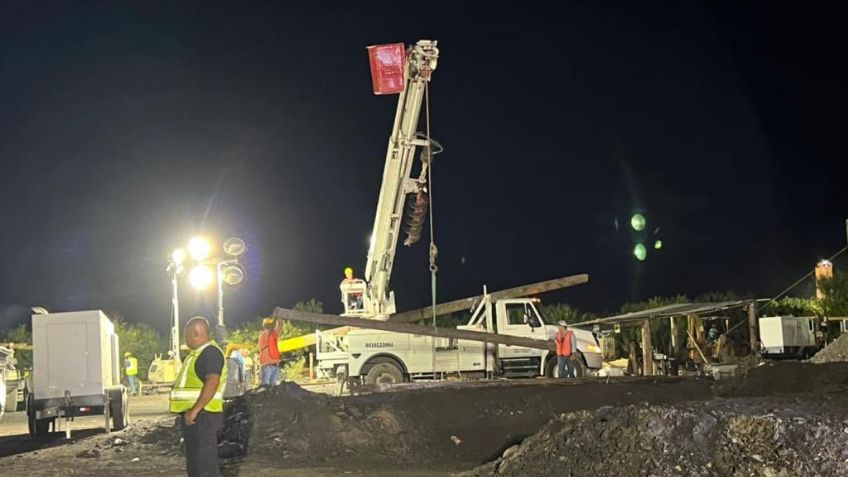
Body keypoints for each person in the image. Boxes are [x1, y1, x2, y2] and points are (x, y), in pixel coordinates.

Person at [170, 316, 227, 477]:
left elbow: (212, 382)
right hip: (198, 418)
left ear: (195, 333)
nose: (185, 339)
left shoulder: (210, 352)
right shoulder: (198, 353)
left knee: (204, 468)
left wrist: (195, 410)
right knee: (196, 467)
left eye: (186, 335)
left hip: (203, 417)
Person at [258, 317, 283, 386]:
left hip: (268, 364)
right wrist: (279, 317)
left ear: (264, 326)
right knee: (271, 387)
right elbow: (280, 326)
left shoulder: (263, 335)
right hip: (272, 364)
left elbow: (279, 326)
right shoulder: (269, 334)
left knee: (266, 386)